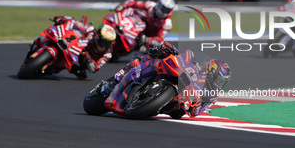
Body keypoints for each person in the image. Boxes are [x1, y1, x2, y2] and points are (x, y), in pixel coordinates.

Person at [99, 42, 231, 119]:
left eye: (221, 83)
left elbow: (196, 112)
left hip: (174, 106)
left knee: (177, 113)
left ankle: (145, 102)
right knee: (149, 57)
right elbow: (186, 58)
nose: (218, 84)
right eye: (218, 80)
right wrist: (170, 50)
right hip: (177, 76)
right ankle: (121, 76)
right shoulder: (198, 65)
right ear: (211, 71)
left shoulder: (211, 97)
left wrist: (190, 105)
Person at [31, 16, 116, 80]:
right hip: (74, 45)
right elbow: (75, 23)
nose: (105, 45)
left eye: (108, 43)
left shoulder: (107, 54)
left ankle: (53, 68)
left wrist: (87, 57)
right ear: (98, 36)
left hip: (82, 59)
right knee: (54, 33)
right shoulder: (91, 32)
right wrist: (63, 19)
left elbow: (94, 68)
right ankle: (39, 43)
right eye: (104, 41)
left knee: (83, 74)